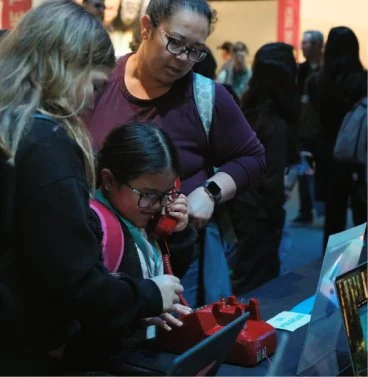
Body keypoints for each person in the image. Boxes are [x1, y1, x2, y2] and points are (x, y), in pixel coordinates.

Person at [0, 1, 183, 374]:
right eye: (95, 84)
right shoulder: (46, 142)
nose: (90, 100)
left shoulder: (11, 130)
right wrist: (149, 294)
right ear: (65, 67)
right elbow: (73, 283)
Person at [86, 0, 266, 308]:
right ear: (146, 27)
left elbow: (252, 157)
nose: (183, 58)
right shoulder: (99, 83)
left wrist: (210, 192)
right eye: (176, 43)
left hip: (177, 256)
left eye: (195, 50)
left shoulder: (206, 97)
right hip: (103, 254)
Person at [228, 43, 300, 293]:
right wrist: (277, 212)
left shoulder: (247, 113)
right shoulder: (275, 123)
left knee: (244, 276)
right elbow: (272, 183)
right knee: (258, 284)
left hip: (240, 206)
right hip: (261, 214)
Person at [308, 26, 367, 249]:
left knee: (334, 216)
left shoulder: (317, 82)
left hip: (329, 154)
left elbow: (313, 120)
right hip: (360, 154)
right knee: (363, 212)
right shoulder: (364, 81)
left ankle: (333, 272)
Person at [292, 30, 324, 226]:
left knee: (324, 172)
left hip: (323, 130)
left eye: (307, 43)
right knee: (303, 171)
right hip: (303, 129)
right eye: (302, 43)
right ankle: (305, 211)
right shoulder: (299, 70)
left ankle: (323, 207)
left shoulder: (328, 69)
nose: (302, 46)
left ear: (319, 45)